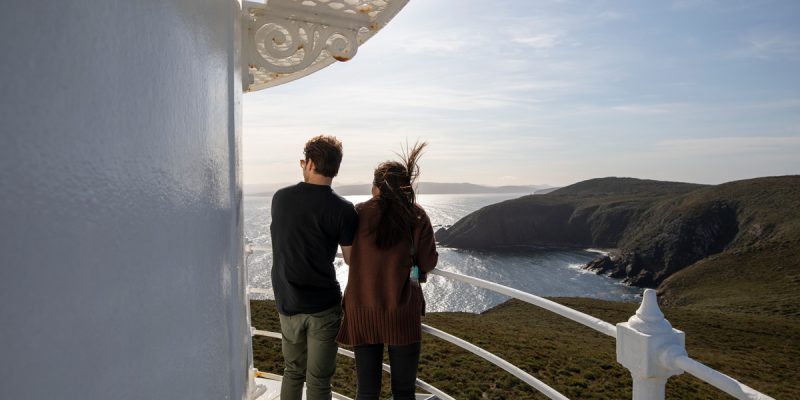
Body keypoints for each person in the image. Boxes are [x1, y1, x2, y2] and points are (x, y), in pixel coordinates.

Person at [337, 142, 438, 400]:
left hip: (362, 309)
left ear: (377, 187)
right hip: (401, 312)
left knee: (367, 391)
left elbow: (350, 258)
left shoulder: (358, 213)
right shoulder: (416, 216)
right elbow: (427, 262)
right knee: (403, 391)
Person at [270, 135, 359, 400]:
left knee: (292, 371)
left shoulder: (281, 199)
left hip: (288, 300)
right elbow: (351, 259)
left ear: (309, 163)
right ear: (335, 168)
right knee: (319, 381)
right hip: (323, 304)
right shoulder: (344, 210)